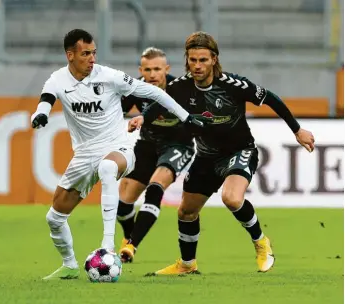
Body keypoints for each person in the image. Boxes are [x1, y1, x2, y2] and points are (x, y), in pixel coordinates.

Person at [129, 31, 315, 274]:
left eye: (203, 60)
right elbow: (161, 103)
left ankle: (261, 242)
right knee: (186, 211)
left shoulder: (233, 85)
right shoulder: (180, 87)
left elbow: (271, 99)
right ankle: (187, 265)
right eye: (193, 60)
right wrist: (143, 117)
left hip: (239, 151)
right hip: (206, 156)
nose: (197, 65)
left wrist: (297, 130)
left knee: (231, 198)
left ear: (214, 59)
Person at [30, 29, 205, 280]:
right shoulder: (57, 80)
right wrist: (41, 114)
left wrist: (187, 117)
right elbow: (46, 99)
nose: (92, 58)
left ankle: (108, 247)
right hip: (83, 155)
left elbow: (155, 93)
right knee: (54, 218)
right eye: (85, 54)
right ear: (70, 55)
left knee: (108, 168)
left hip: (118, 147)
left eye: (94, 53)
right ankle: (69, 265)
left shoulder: (110, 76)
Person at [118, 47, 195, 263]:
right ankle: (128, 235)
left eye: (157, 69)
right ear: (141, 70)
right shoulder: (135, 88)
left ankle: (132, 245)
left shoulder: (179, 89)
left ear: (166, 69)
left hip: (177, 146)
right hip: (147, 146)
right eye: (148, 69)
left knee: (154, 187)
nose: (152, 74)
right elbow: (116, 112)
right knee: (123, 203)